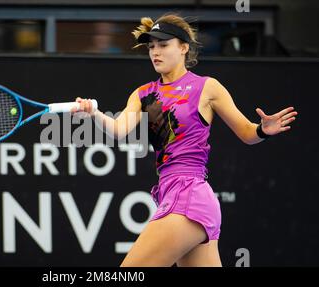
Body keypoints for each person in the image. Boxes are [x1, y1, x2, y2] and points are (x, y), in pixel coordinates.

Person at [70, 13, 298, 267]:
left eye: (163, 45)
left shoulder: (207, 88)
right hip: (174, 195)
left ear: (184, 47)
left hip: (190, 196)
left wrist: (263, 130)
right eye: (151, 46)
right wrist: (94, 113)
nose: (155, 52)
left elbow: (247, 133)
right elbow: (119, 130)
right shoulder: (144, 94)